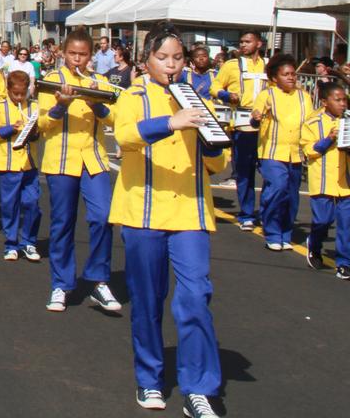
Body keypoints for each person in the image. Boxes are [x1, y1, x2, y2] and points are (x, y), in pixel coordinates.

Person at [109, 23, 226, 417]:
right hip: (143, 212)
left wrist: (213, 136)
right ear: (147, 61)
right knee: (147, 300)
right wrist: (169, 123)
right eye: (163, 58)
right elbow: (124, 137)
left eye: (178, 57)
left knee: (195, 297)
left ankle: (198, 388)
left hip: (191, 211)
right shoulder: (132, 96)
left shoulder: (197, 100)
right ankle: (149, 378)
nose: (172, 65)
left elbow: (218, 163)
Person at [35, 29, 120, 314]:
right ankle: (61, 283)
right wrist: (60, 107)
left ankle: (98, 279)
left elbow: (116, 120)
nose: (78, 60)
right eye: (73, 54)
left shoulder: (99, 82)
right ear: (62, 52)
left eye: (83, 54)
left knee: (103, 215)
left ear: (91, 55)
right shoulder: (51, 81)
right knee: (62, 222)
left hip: (93, 159)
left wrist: (98, 106)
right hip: (61, 159)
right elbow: (43, 125)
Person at [250, 53, 312, 252]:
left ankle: (286, 233)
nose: (291, 78)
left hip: (296, 153)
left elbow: (311, 122)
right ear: (275, 78)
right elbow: (255, 115)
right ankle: (273, 232)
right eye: (286, 74)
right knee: (278, 187)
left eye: (293, 74)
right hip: (272, 152)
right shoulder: (267, 95)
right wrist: (257, 117)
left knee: (291, 195)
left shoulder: (305, 96)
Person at [212, 30, 268, 230]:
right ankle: (246, 214)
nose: (243, 45)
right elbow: (215, 86)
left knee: (270, 173)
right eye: (241, 42)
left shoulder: (268, 65)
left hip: (267, 127)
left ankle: (266, 212)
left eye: (247, 41)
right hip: (243, 126)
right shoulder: (231, 65)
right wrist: (227, 96)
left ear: (258, 44)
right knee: (245, 173)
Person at [0, 70, 42, 262]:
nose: (19, 97)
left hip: (29, 164)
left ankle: (29, 241)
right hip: (7, 164)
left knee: (32, 202)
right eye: (15, 93)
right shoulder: (0, 107)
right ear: (8, 89)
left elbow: (39, 132)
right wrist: (11, 128)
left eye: (22, 93)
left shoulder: (34, 106)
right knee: (10, 205)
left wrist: (33, 131)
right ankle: (11, 243)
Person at [301, 80, 350, 278]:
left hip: (345, 182)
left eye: (344, 100)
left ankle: (344, 262)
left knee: (346, 224)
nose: (342, 104)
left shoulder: (347, 121)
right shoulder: (313, 123)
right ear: (324, 102)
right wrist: (329, 138)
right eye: (337, 100)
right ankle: (314, 243)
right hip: (322, 180)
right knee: (323, 220)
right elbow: (309, 150)